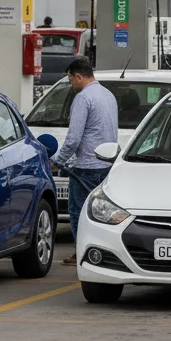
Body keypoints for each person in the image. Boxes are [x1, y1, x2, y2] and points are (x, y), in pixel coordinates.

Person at [50, 57, 118, 266]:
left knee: (78, 212)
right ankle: (103, 252)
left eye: (71, 80)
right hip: (107, 165)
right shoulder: (108, 95)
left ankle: (82, 252)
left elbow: (73, 139)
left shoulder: (83, 98)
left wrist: (57, 161)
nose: (72, 85)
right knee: (102, 213)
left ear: (78, 76)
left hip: (85, 168)